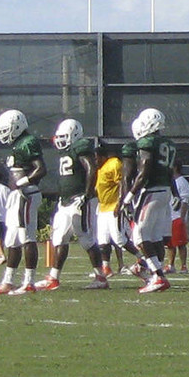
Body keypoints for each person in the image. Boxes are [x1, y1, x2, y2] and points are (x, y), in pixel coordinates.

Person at [39, 117, 109, 290]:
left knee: (86, 239)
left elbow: (92, 169)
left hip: (80, 200)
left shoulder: (81, 147)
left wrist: (85, 195)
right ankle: (53, 277)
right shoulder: (67, 151)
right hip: (66, 201)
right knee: (59, 237)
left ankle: (101, 277)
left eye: (64, 136)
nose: (60, 140)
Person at [0, 109, 46, 294]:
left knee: (26, 238)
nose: (4, 134)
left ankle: (29, 282)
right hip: (17, 196)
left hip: (26, 195)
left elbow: (40, 169)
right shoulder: (18, 144)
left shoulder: (28, 142)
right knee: (12, 240)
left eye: (7, 129)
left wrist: (21, 183)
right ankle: (8, 281)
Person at [126, 107, 178, 294]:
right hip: (165, 191)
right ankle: (155, 272)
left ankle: (157, 275)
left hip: (152, 191)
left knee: (139, 236)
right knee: (155, 236)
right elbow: (170, 172)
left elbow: (144, 171)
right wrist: (176, 193)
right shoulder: (168, 144)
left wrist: (129, 196)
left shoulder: (148, 142)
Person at [92, 141, 126, 276]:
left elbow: (122, 183)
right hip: (103, 208)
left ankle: (141, 259)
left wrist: (120, 203)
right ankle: (106, 267)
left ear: (102, 156)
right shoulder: (100, 168)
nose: (95, 161)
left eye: (96, 157)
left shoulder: (114, 163)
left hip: (114, 206)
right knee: (102, 239)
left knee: (119, 239)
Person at [169, 162, 189, 273]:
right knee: (170, 243)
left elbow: (185, 201)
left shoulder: (182, 182)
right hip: (169, 217)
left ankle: (183, 266)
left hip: (177, 216)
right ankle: (171, 265)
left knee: (180, 243)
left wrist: (181, 218)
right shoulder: (170, 181)